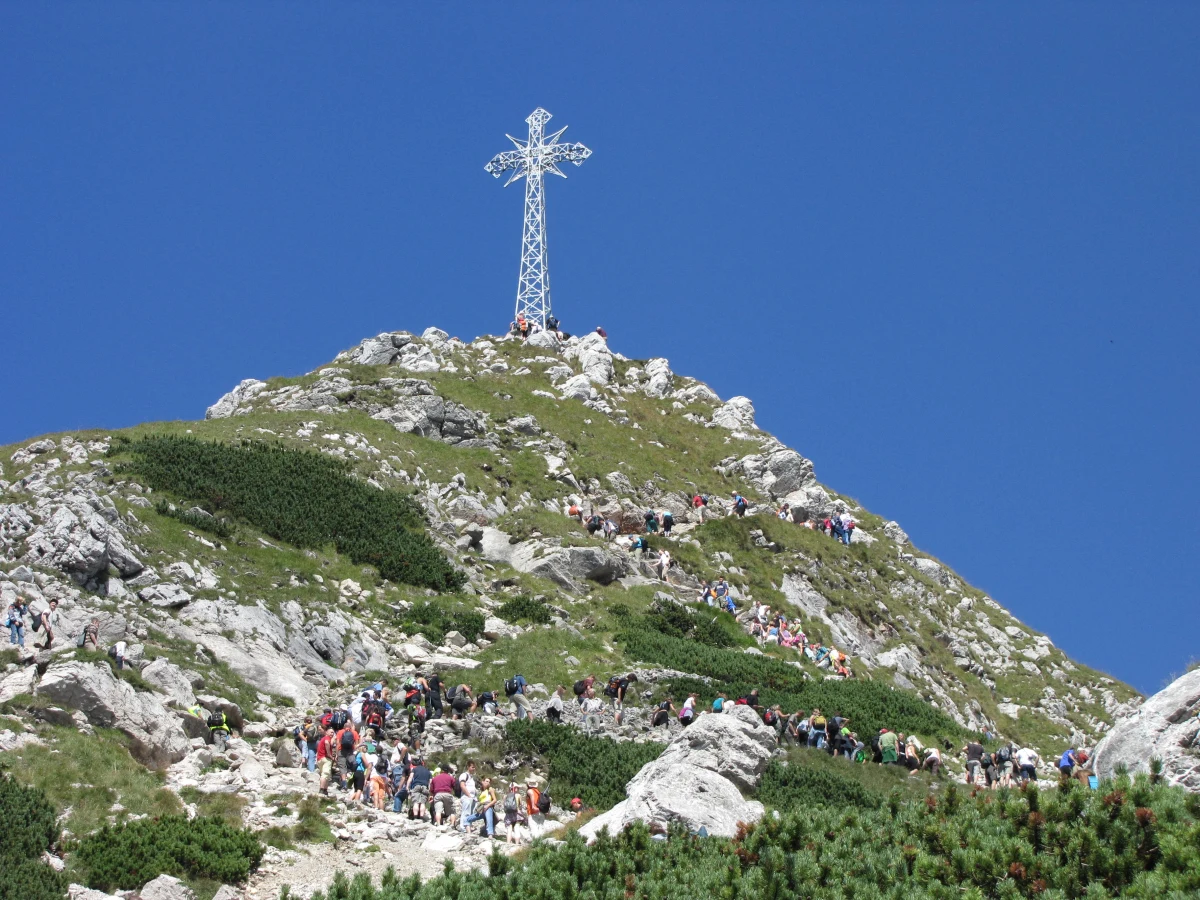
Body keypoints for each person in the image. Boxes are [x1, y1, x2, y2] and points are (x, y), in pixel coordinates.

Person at [316, 726, 337, 795]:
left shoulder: (322, 739)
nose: (332, 734)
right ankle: (322, 789)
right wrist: (329, 755)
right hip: (326, 758)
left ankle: (325, 790)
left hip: (319, 759)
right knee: (325, 774)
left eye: (333, 733)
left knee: (326, 775)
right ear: (327, 732)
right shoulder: (327, 738)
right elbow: (327, 743)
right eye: (331, 732)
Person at [457, 762, 477, 830]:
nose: (474, 769)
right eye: (472, 767)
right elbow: (462, 785)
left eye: (474, 767)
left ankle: (468, 826)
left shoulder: (471, 777)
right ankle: (463, 827)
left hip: (472, 797)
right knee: (466, 812)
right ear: (468, 767)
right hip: (466, 797)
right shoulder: (464, 775)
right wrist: (469, 795)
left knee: (471, 813)